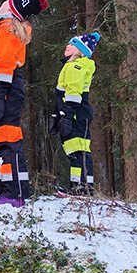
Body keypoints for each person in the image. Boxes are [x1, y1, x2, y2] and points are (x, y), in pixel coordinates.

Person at [0, 0, 49, 207]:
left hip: (4, 88)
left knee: (8, 140)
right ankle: (4, 190)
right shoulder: (5, 26)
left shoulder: (7, 28)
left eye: (5, 2)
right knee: (1, 141)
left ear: (11, 9)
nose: (0, 4)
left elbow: (5, 62)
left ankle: (15, 193)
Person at [52, 33, 99, 196]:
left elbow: (73, 93)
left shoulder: (76, 66)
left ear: (80, 50)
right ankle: (76, 186)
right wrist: (57, 115)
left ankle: (85, 188)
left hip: (76, 115)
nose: (67, 46)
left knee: (80, 151)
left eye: (72, 44)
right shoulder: (70, 65)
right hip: (72, 113)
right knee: (74, 153)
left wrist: (66, 115)